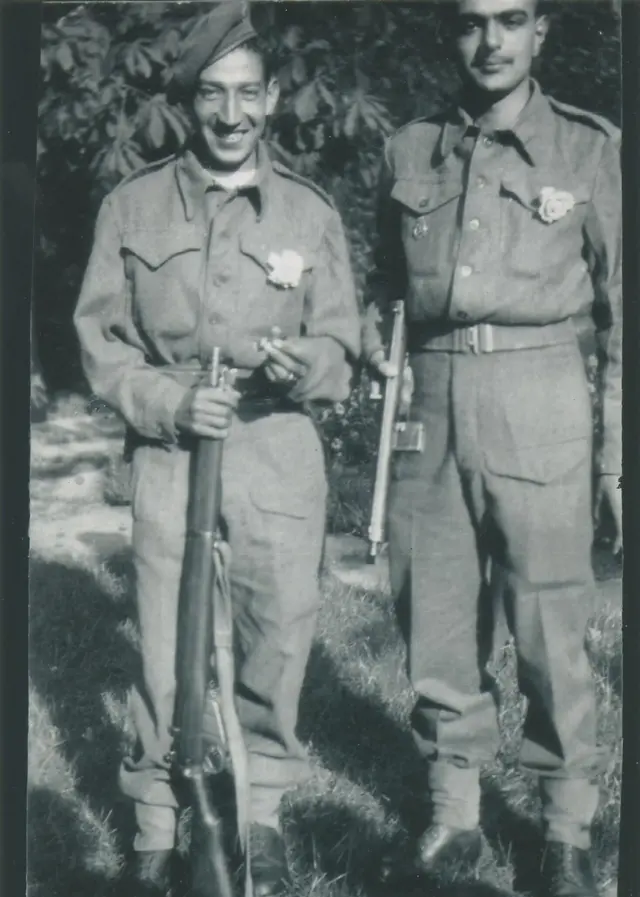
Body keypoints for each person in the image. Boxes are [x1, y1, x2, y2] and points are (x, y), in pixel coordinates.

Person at [74, 3, 360, 894]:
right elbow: (101, 343)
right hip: (171, 455)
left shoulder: (310, 212)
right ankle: (161, 820)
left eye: (247, 94)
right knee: (167, 647)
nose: (231, 115)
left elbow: (342, 345)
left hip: (278, 450)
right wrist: (169, 401)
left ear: (271, 99)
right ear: (188, 101)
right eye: (211, 95)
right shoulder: (132, 205)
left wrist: (307, 362)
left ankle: (260, 815)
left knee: (279, 633)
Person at [363, 1, 621, 895]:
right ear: (451, 34)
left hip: (539, 393)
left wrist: (618, 458)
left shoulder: (590, 149)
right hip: (432, 397)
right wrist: (377, 343)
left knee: (550, 624)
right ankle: (453, 814)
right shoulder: (410, 149)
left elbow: (623, 316)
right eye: (472, 23)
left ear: (541, 31)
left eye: (511, 20)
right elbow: (386, 280)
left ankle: (565, 830)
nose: (491, 42)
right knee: (433, 610)